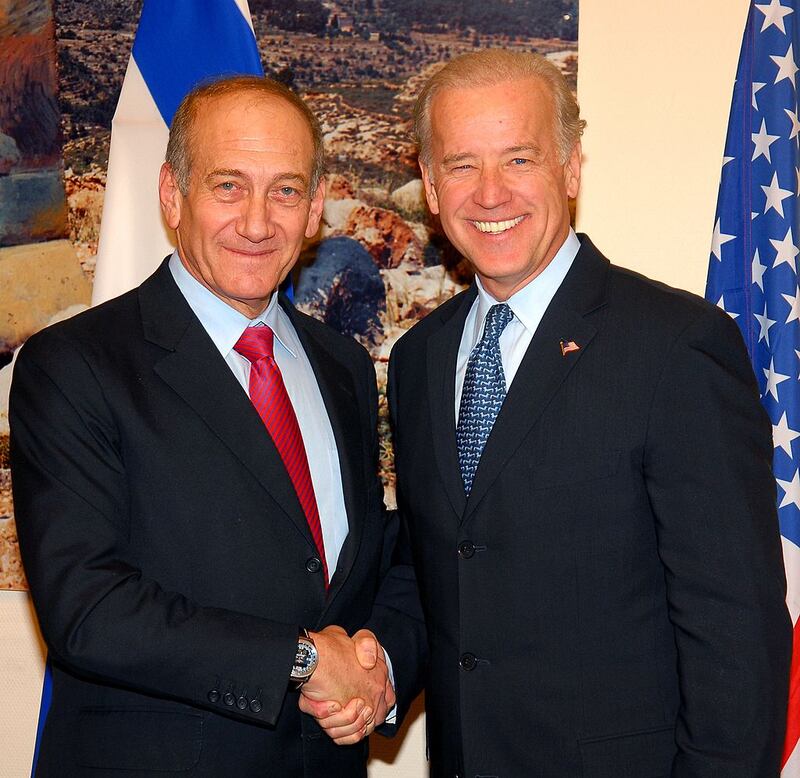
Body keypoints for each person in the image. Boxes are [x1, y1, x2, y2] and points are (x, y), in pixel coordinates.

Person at [387, 49, 791, 776]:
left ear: (571, 168)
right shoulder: (420, 360)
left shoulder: (675, 346)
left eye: (518, 159)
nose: (489, 193)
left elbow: (735, 630)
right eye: (461, 165)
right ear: (429, 184)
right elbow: (441, 573)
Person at [9, 75, 425, 777]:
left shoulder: (341, 369)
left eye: (286, 190)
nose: (258, 223)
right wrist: (298, 661)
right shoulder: (76, 365)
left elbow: (373, 558)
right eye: (229, 186)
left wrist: (379, 660)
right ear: (173, 195)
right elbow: (88, 607)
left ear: (317, 206)